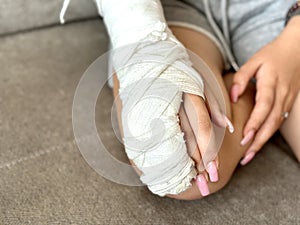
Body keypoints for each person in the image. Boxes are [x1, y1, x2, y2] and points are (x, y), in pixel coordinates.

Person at [61, 0, 300, 200]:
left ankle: (254, 92)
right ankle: (251, 92)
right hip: (170, 9)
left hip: (283, 12)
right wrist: (147, 42)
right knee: (175, 169)